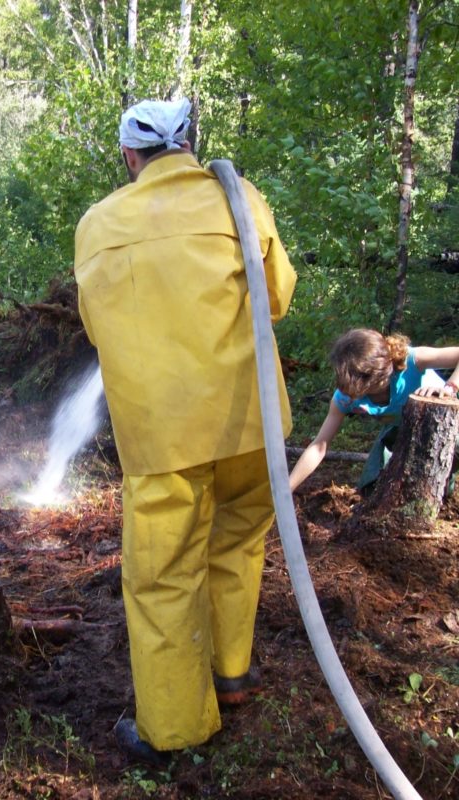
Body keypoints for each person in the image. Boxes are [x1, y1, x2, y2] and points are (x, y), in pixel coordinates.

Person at [74, 97, 297, 765]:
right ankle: (230, 674)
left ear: (129, 156)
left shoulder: (99, 224)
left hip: (164, 439)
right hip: (251, 424)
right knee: (236, 545)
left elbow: (97, 326)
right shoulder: (241, 199)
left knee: (164, 578)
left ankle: (173, 727)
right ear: (191, 144)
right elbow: (277, 298)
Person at [289, 329, 459, 492]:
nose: (359, 390)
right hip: (402, 431)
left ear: (384, 368)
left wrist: (450, 388)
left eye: (366, 384)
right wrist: (287, 488)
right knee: (373, 485)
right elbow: (319, 446)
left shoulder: (412, 360)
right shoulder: (347, 396)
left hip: (450, 427)